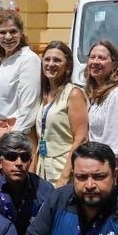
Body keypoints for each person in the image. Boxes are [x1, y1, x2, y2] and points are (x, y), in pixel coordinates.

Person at [84, 39, 118, 191]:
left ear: (114, 64)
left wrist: (108, 180)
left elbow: (117, 146)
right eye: (92, 57)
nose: (95, 61)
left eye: (101, 58)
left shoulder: (117, 95)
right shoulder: (95, 94)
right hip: (97, 170)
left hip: (113, 173)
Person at [34, 40, 88, 186]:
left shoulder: (73, 93)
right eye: (47, 59)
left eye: (57, 60)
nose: (51, 64)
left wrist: (65, 176)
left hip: (62, 167)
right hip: (43, 166)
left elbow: (81, 138)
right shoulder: (44, 94)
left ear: (68, 65)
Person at [0, 9, 42, 152]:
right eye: (2, 32)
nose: (8, 37)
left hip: (16, 134)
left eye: (13, 31)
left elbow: (29, 106)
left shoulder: (28, 60)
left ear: (21, 32)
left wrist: (13, 141)